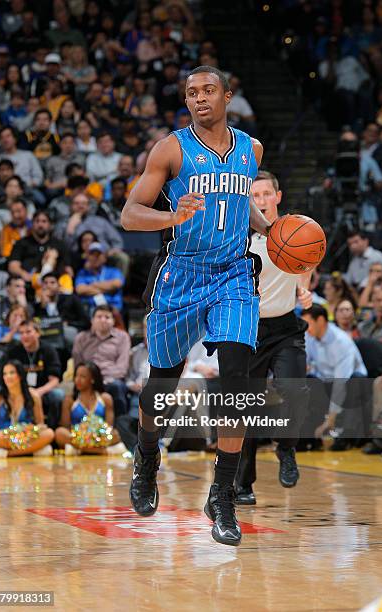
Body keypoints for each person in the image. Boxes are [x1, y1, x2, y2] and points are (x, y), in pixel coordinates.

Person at [121, 65, 269, 546]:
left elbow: (241, 197)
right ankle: (147, 455)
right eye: (191, 93)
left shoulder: (252, 150)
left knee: (236, 385)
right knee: (161, 388)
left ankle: (222, 496)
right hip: (180, 274)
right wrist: (171, 213)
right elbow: (129, 214)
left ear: (228, 95)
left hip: (231, 275)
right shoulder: (170, 148)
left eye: (208, 91)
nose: (199, 99)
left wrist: (268, 227)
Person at [235, 172, 312, 505]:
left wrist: (303, 287)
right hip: (249, 330)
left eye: (267, 193)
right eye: (255, 195)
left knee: (296, 389)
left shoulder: (296, 230)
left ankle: (286, 448)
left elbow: (307, 260)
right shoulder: (241, 235)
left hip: (285, 328)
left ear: (278, 196)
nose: (262, 200)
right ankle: (242, 484)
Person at [301, 305, 368, 449]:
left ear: (320, 320)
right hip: (327, 382)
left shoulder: (341, 341)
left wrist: (331, 418)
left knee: (356, 382)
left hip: (350, 383)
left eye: (308, 323)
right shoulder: (309, 337)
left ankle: (346, 438)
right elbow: (305, 363)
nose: (306, 328)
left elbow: (341, 382)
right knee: (307, 381)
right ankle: (308, 438)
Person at [0, 360, 55, 458]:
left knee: (49, 433)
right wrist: (7, 434)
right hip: (6, 438)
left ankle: (8, 454)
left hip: (27, 436)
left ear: (20, 375)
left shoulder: (33, 395)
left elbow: (40, 425)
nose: (7, 377)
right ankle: (30, 451)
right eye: (5, 374)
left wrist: (29, 431)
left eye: (11, 373)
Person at [55, 361, 125, 455]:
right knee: (60, 433)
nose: (78, 380)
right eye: (76, 376)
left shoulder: (105, 398)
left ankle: (80, 450)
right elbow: (66, 427)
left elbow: (109, 427)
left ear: (92, 379)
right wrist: (82, 434)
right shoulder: (69, 400)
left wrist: (96, 435)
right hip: (78, 437)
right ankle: (100, 451)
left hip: (99, 437)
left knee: (115, 434)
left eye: (82, 377)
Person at [4, 320, 64, 429]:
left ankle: (52, 429)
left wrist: (37, 392)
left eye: (28, 332)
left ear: (38, 333)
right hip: (20, 391)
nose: (24, 336)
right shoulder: (14, 351)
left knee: (58, 394)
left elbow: (54, 380)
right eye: (21, 333)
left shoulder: (48, 350)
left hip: (43, 391)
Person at [72, 305, 131, 416]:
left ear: (113, 321)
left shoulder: (122, 337)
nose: (103, 320)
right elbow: (78, 364)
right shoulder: (81, 338)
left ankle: (120, 427)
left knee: (117, 386)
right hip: (87, 380)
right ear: (92, 320)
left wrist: (101, 380)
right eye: (99, 317)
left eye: (107, 317)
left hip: (110, 380)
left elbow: (122, 368)